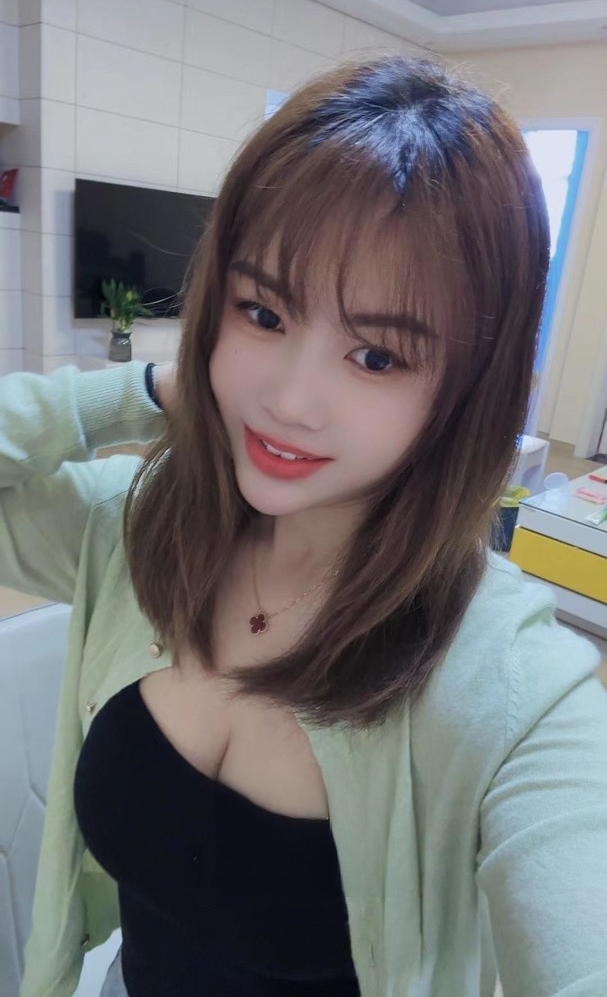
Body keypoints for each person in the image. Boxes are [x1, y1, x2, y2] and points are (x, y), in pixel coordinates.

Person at [2, 55, 606, 997]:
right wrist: (147, 388)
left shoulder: (509, 685)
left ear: (467, 388)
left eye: (376, 355)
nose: (287, 400)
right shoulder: (137, 534)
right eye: (262, 311)